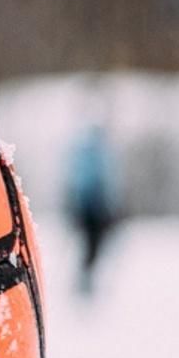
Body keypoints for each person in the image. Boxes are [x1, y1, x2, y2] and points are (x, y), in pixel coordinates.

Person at [63, 117, 119, 298]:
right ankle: (85, 279)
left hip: (90, 205)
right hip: (93, 206)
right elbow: (98, 182)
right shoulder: (95, 152)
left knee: (92, 244)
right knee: (92, 243)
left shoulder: (91, 151)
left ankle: (85, 278)